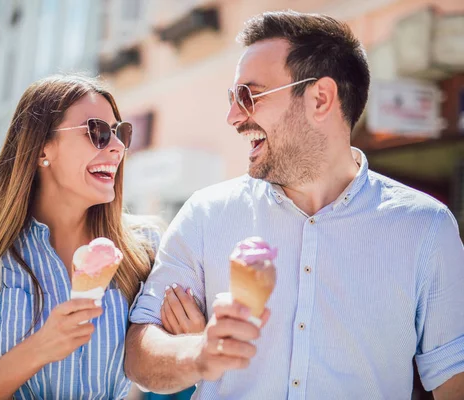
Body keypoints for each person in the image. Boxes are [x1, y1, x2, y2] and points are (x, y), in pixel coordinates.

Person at [125, 11, 464, 399]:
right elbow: (139, 355)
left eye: (248, 95)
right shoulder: (205, 214)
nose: (233, 116)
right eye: (232, 98)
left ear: (320, 98)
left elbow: (454, 382)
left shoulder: (426, 228)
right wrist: (199, 354)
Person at [0, 74, 204, 399]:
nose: (117, 146)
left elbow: (157, 376)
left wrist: (194, 346)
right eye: (98, 132)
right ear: (41, 149)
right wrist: (40, 347)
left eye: (121, 133)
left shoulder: (144, 248)